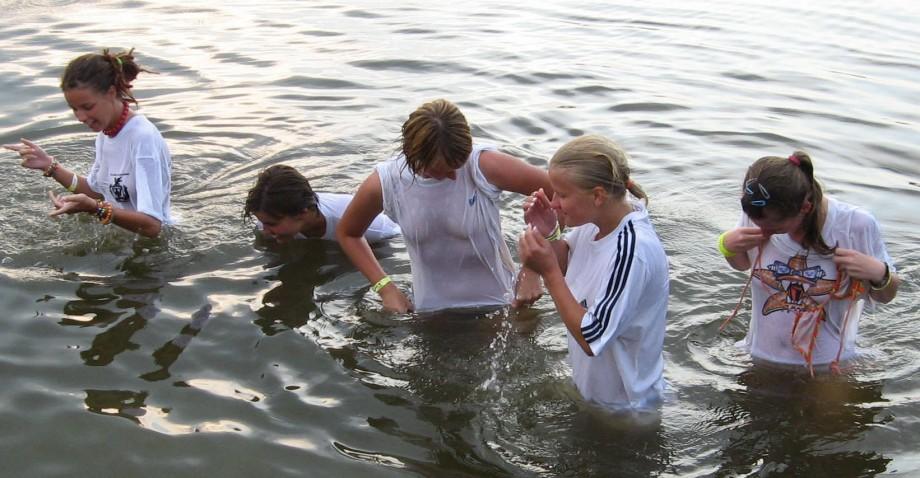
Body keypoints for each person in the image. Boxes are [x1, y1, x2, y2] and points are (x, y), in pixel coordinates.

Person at [336, 98, 552, 313]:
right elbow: (348, 233)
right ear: (413, 154)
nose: (453, 177)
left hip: (504, 305)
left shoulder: (483, 165)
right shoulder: (387, 182)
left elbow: (559, 194)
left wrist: (532, 269)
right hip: (430, 313)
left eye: (457, 166)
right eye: (441, 171)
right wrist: (385, 288)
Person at [517, 135, 669, 409]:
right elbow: (569, 266)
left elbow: (592, 336)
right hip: (596, 395)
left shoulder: (632, 250)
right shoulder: (594, 223)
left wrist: (548, 272)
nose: (554, 203)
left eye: (562, 195)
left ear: (598, 195)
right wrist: (549, 233)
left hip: (625, 407)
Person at [718, 151, 900, 372]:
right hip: (758, 357)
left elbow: (886, 297)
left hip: (828, 367)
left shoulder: (855, 225)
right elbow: (742, 264)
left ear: (805, 207)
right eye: (757, 223)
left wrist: (879, 273)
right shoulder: (758, 207)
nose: (763, 231)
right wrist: (727, 245)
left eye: (775, 227)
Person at [4, 48, 172, 238]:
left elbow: (153, 226)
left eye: (87, 107)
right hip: (122, 239)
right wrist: (50, 166)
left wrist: (95, 208)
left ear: (111, 92)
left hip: (155, 248)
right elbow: (97, 192)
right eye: (74, 109)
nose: (80, 117)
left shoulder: (143, 138)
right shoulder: (106, 133)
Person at [243, 164, 400, 244]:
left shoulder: (373, 230)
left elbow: (397, 236)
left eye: (271, 224)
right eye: (263, 222)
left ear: (302, 213)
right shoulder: (267, 217)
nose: (264, 230)